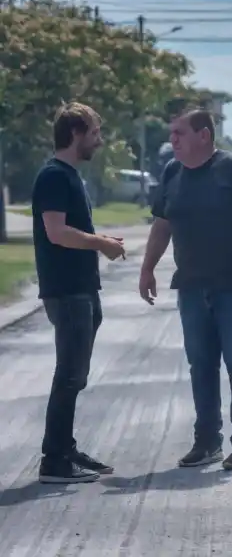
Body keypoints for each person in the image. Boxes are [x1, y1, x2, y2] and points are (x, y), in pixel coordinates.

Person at [139, 109, 232, 471]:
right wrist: (147, 268)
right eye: (172, 133)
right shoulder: (172, 172)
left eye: (180, 133)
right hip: (192, 288)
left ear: (204, 136)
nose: (173, 140)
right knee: (201, 366)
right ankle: (207, 441)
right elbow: (162, 226)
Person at [32, 102, 126, 484]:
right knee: (69, 376)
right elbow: (56, 232)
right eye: (95, 133)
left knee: (75, 375)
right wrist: (100, 243)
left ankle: (63, 448)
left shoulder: (68, 175)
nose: (99, 141)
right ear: (76, 133)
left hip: (81, 289)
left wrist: (100, 240)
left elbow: (70, 230)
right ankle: (55, 460)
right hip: (67, 291)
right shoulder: (54, 176)